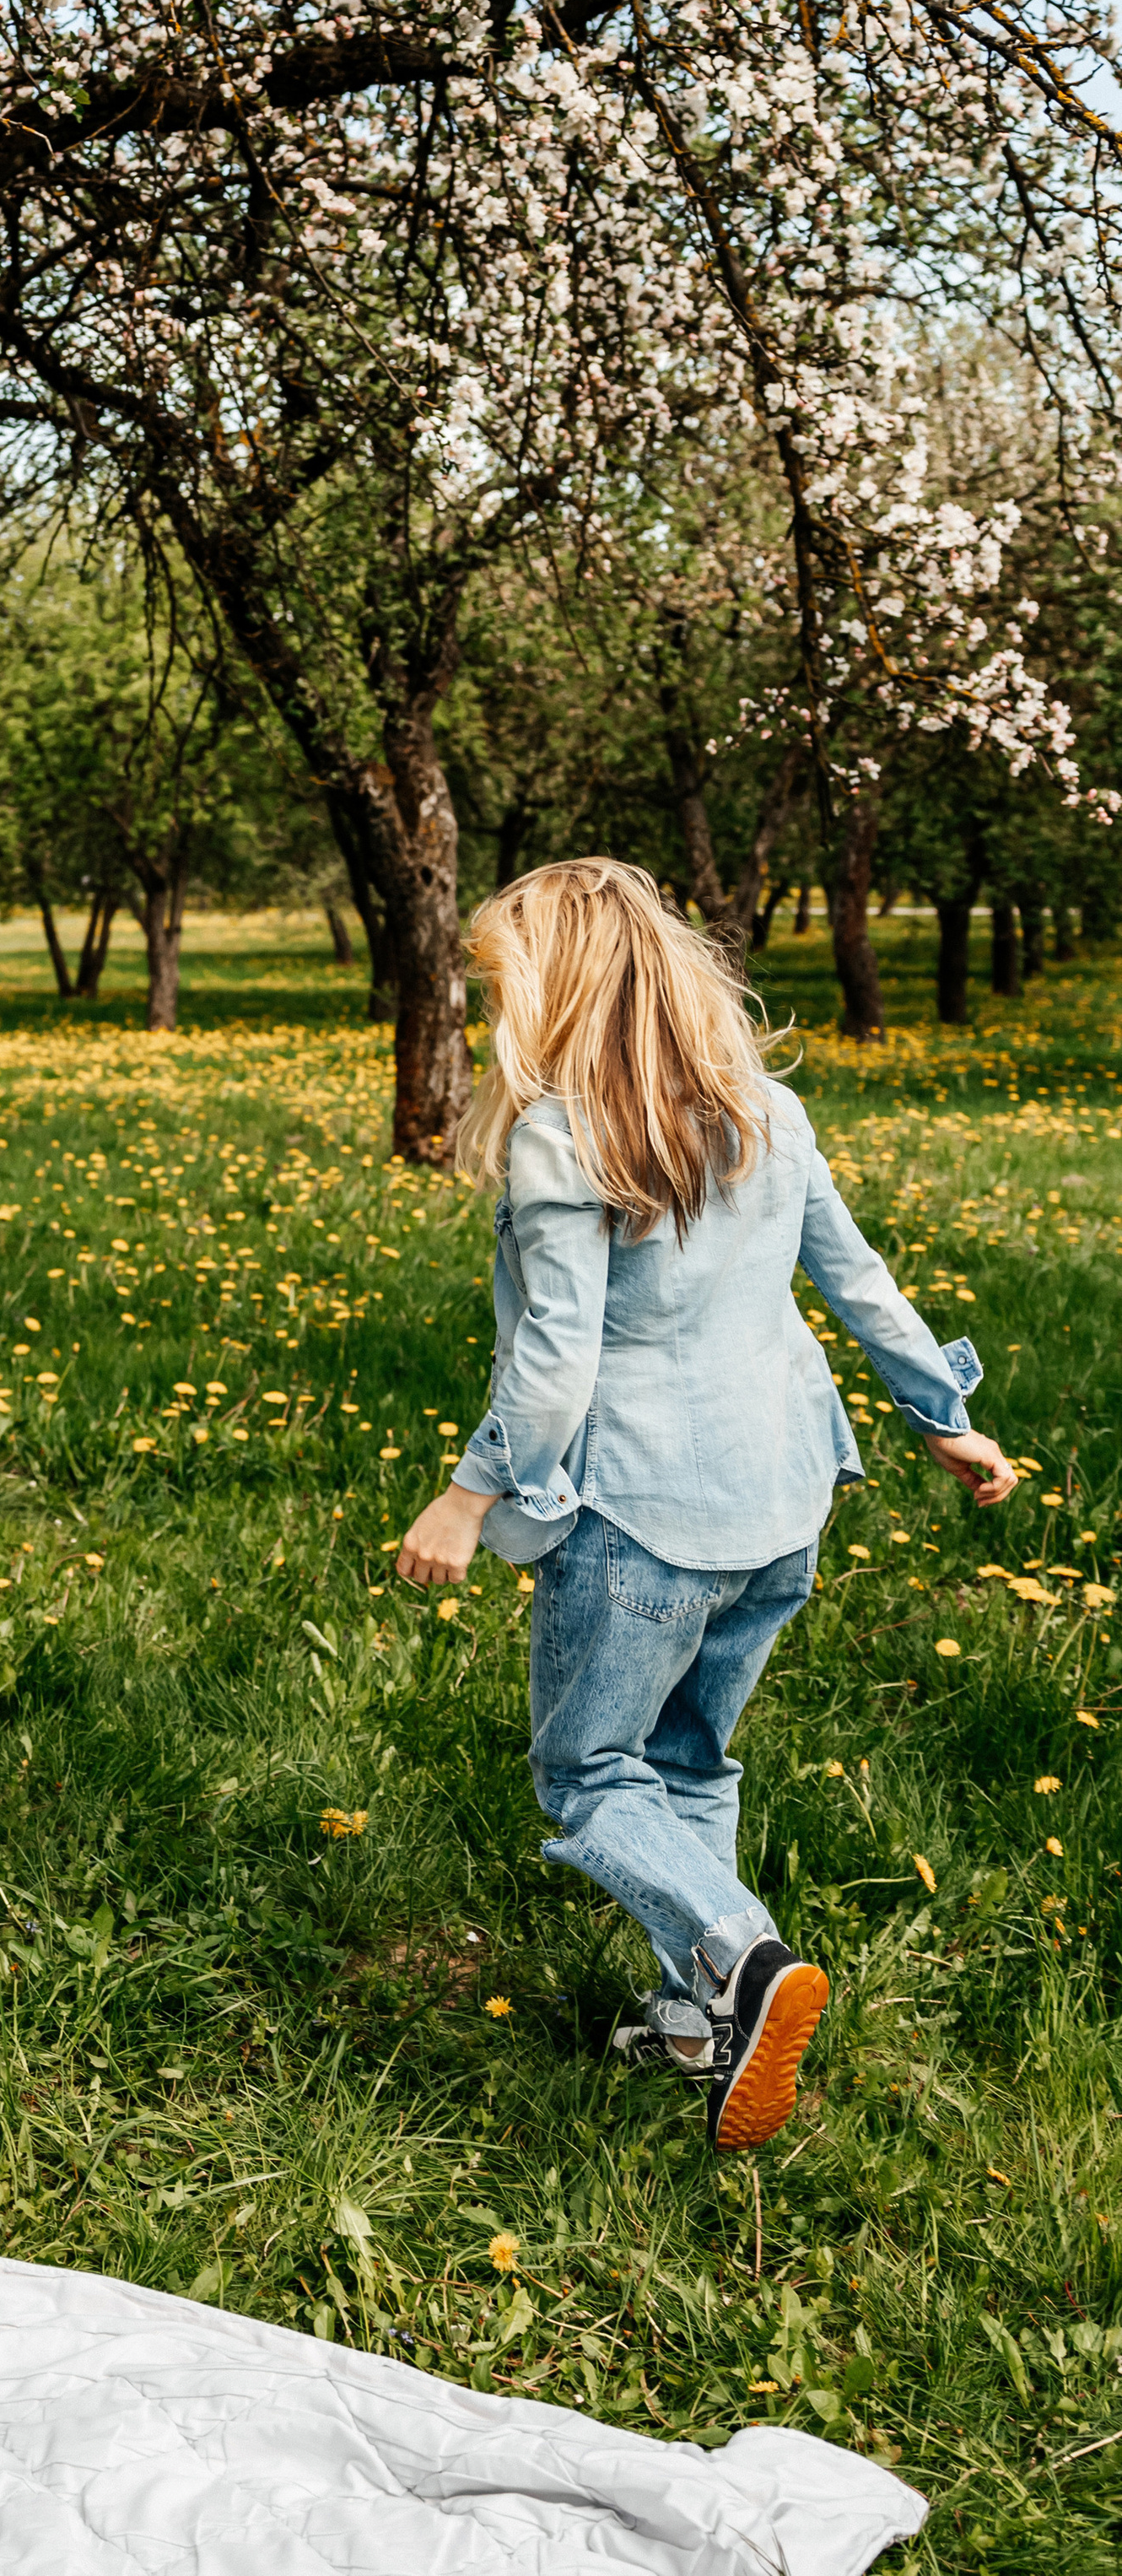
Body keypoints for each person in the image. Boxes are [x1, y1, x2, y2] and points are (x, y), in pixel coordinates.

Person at [395, 860, 1015, 2153]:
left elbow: (556, 1362)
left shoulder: (568, 1137)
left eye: (503, 983)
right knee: (690, 1760)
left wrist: (468, 1495)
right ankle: (700, 2021)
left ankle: (739, 1956)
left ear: (557, 993)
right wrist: (942, 1419)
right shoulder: (768, 1113)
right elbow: (861, 1282)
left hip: (641, 1517)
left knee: (589, 1772)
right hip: (782, 1500)